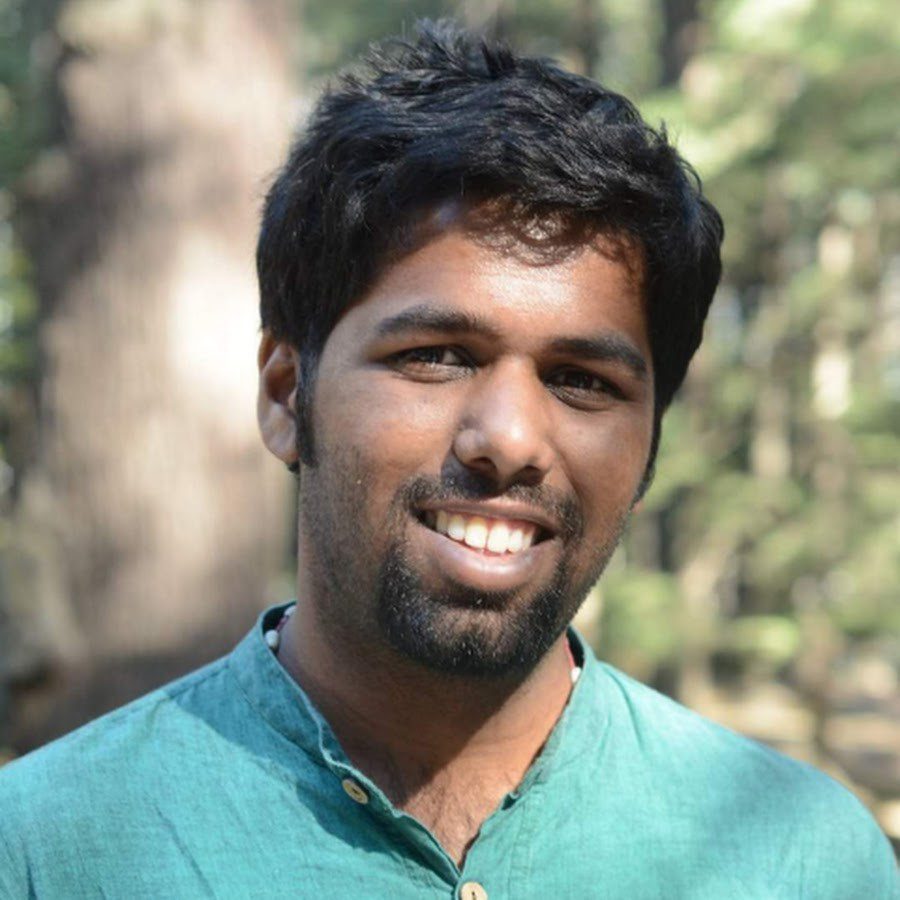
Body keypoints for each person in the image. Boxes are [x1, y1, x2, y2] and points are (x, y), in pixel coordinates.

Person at [1, 21, 897, 899]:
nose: (509, 440)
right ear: (285, 395)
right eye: (436, 355)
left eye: (582, 380)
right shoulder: (44, 853)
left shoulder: (806, 863)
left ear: (651, 442)